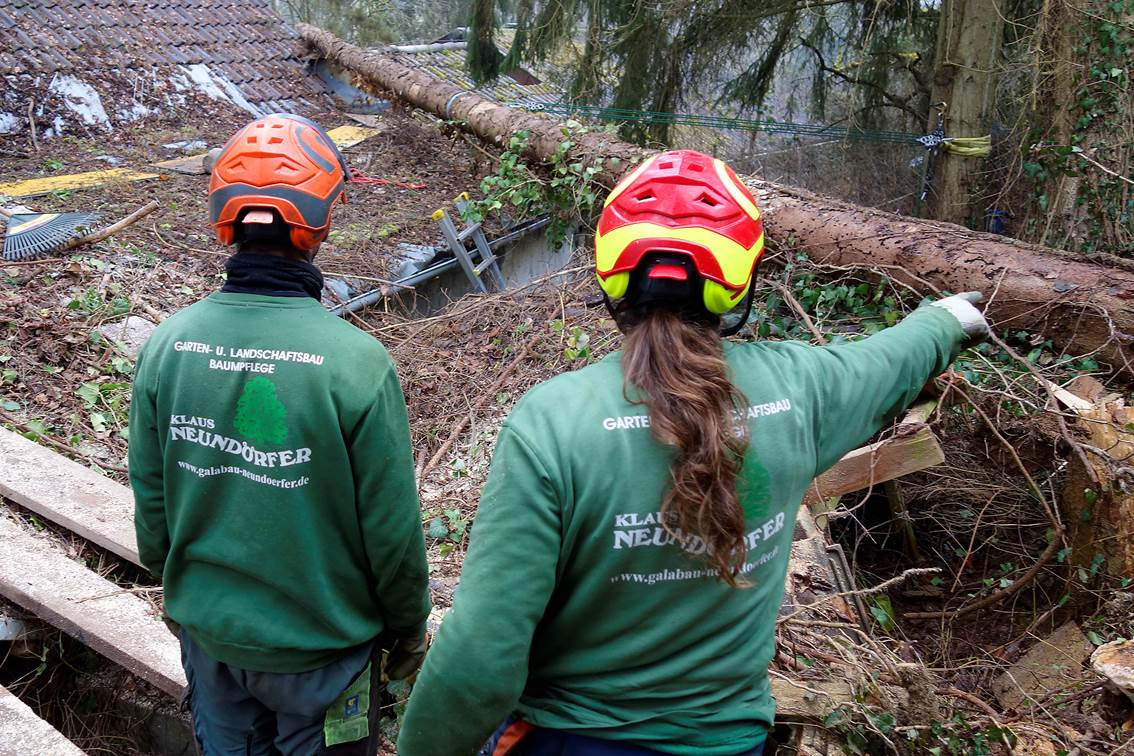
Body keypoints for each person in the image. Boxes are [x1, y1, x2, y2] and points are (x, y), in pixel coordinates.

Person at [396, 149, 988, 756]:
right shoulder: (799, 391)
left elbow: (482, 654)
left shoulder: (551, 423)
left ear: (611, 276)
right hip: (728, 743)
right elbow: (890, 360)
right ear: (739, 278)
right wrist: (945, 322)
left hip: (572, 740)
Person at [128, 113, 430, 755]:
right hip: (325, 654)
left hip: (212, 637)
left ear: (224, 218)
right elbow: (391, 529)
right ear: (321, 221)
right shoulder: (355, 362)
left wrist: (185, 589)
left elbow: (152, 503)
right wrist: (408, 625)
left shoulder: (169, 345)